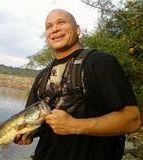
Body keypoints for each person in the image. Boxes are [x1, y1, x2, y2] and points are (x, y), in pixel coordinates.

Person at [14, 9, 141, 160]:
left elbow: (133, 120)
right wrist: (28, 134)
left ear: (78, 29)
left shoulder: (101, 63)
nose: (55, 29)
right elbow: (37, 124)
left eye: (61, 22)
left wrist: (75, 125)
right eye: (49, 26)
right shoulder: (42, 76)